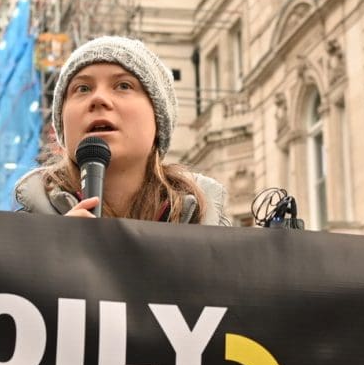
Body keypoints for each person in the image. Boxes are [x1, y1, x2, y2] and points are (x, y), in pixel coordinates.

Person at [14, 36, 230, 225]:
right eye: (82, 88)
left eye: (123, 86)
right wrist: (52, 256)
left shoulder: (206, 222)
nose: (98, 98)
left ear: (158, 119)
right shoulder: (23, 236)